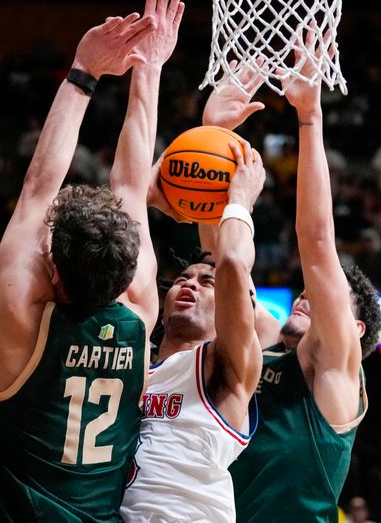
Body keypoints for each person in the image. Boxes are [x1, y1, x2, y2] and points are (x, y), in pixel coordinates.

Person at [0, 0, 183, 520]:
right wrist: (149, 68)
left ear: (54, 274)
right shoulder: (139, 311)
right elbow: (134, 186)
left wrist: (88, 70)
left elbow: (38, 187)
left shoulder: (25, 316)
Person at [225, 29, 381, 522]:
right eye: (304, 294)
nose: (305, 297)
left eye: (324, 298)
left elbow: (316, 245)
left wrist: (309, 117)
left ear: (352, 331)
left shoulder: (335, 370)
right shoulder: (268, 342)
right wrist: (217, 136)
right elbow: (222, 270)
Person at [120, 125, 266, 520]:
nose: (190, 285)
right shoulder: (130, 363)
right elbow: (108, 262)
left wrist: (239, 200)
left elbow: (233, 262)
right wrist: (144, 194)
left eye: (206, 282)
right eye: (182, 279)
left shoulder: (226, 363)